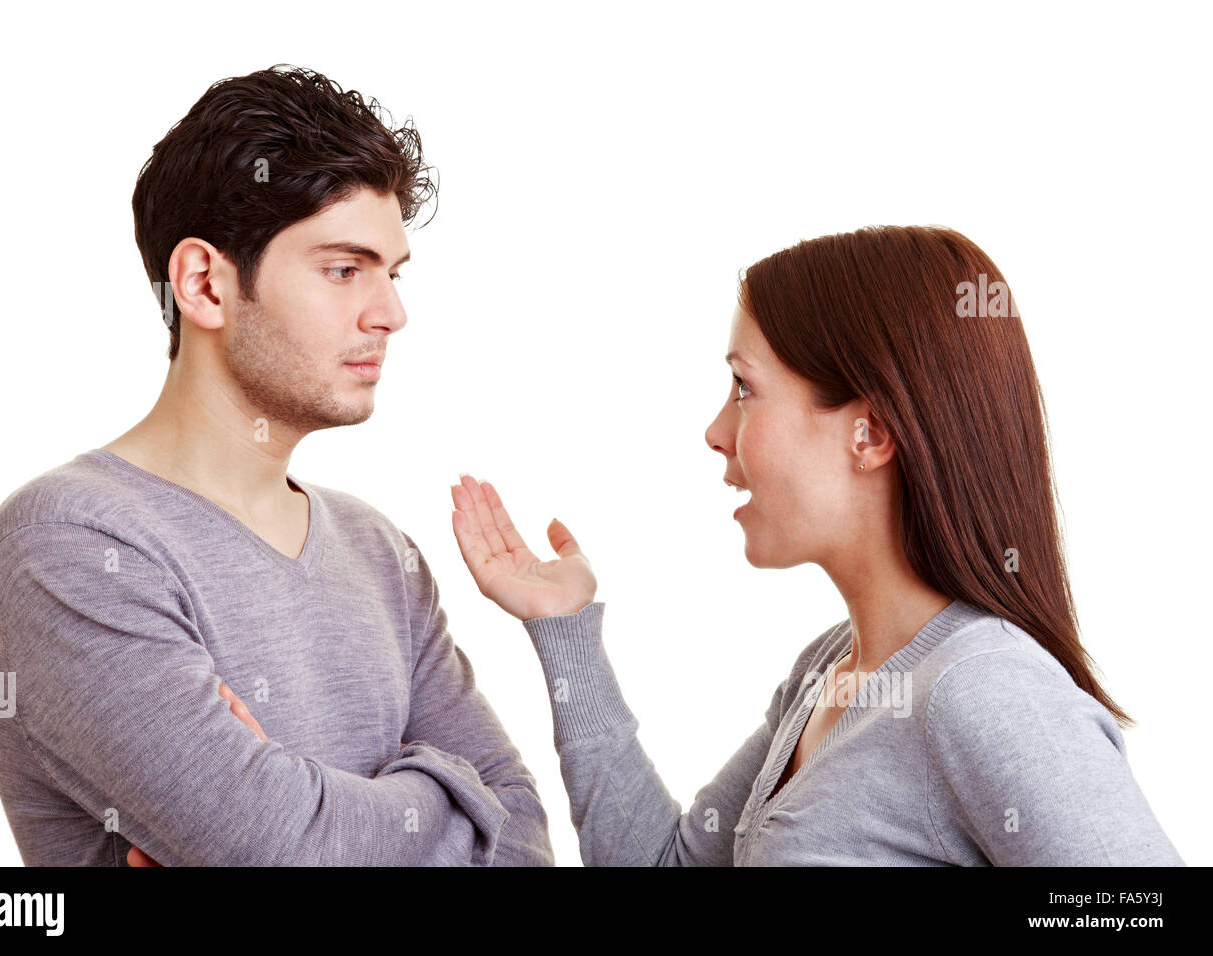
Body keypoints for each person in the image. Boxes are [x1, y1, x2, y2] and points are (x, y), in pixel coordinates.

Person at [448, 225, 1185, 865]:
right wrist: (563, 625)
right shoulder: (828, 669)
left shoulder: (982, 687)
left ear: (871, 433)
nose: (716, 433)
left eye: (744, 388)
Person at [0, 65, 552, 866]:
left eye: (393, 272)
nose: (391, 313)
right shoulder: (69, 538)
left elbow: (523, 837)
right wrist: (445, 793)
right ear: (204, 284)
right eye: (345, 269)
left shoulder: (380, 551)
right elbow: (279, 847)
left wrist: (303, 802)